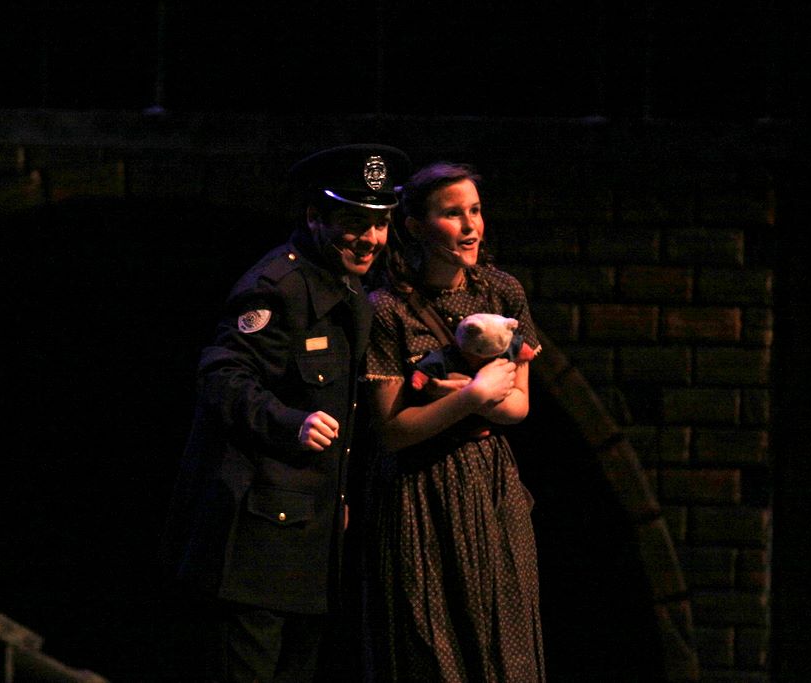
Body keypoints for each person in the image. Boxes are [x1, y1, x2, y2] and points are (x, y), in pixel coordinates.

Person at [160, 143, 411, 682]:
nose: (371, 238)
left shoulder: (348, 287)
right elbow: (221, 376)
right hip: (257, 540)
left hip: (309, 535)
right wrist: (290, 422)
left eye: (380, 223)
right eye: (355, 223)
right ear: (316, 217)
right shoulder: (278, 287)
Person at [361, 161, 545, 681]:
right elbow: (392, 431)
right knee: (429, 644)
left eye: (475, 211)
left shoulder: (501, 292)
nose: (470, 227)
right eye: (452, 214)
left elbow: (519, 406)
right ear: (415, 226)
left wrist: (476, 398)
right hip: (418, 489)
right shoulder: (387, 307)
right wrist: (472, 397)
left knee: (505, 642)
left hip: (489, 480)